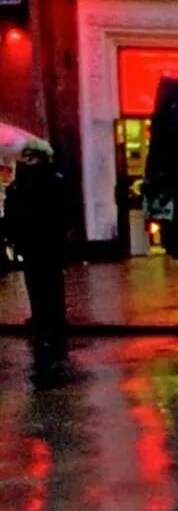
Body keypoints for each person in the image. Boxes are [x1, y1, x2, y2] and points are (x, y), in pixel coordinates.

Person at [1, 138, 68, 372]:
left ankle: (49, 322)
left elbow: (62, 213)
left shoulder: (36, 182)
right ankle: (48, 322)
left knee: (44, 283)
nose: (27, 160)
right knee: (43, 283)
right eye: (26, 156)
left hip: (40, 243)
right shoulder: (40, 181)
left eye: (31, 156)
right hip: (39, 243)